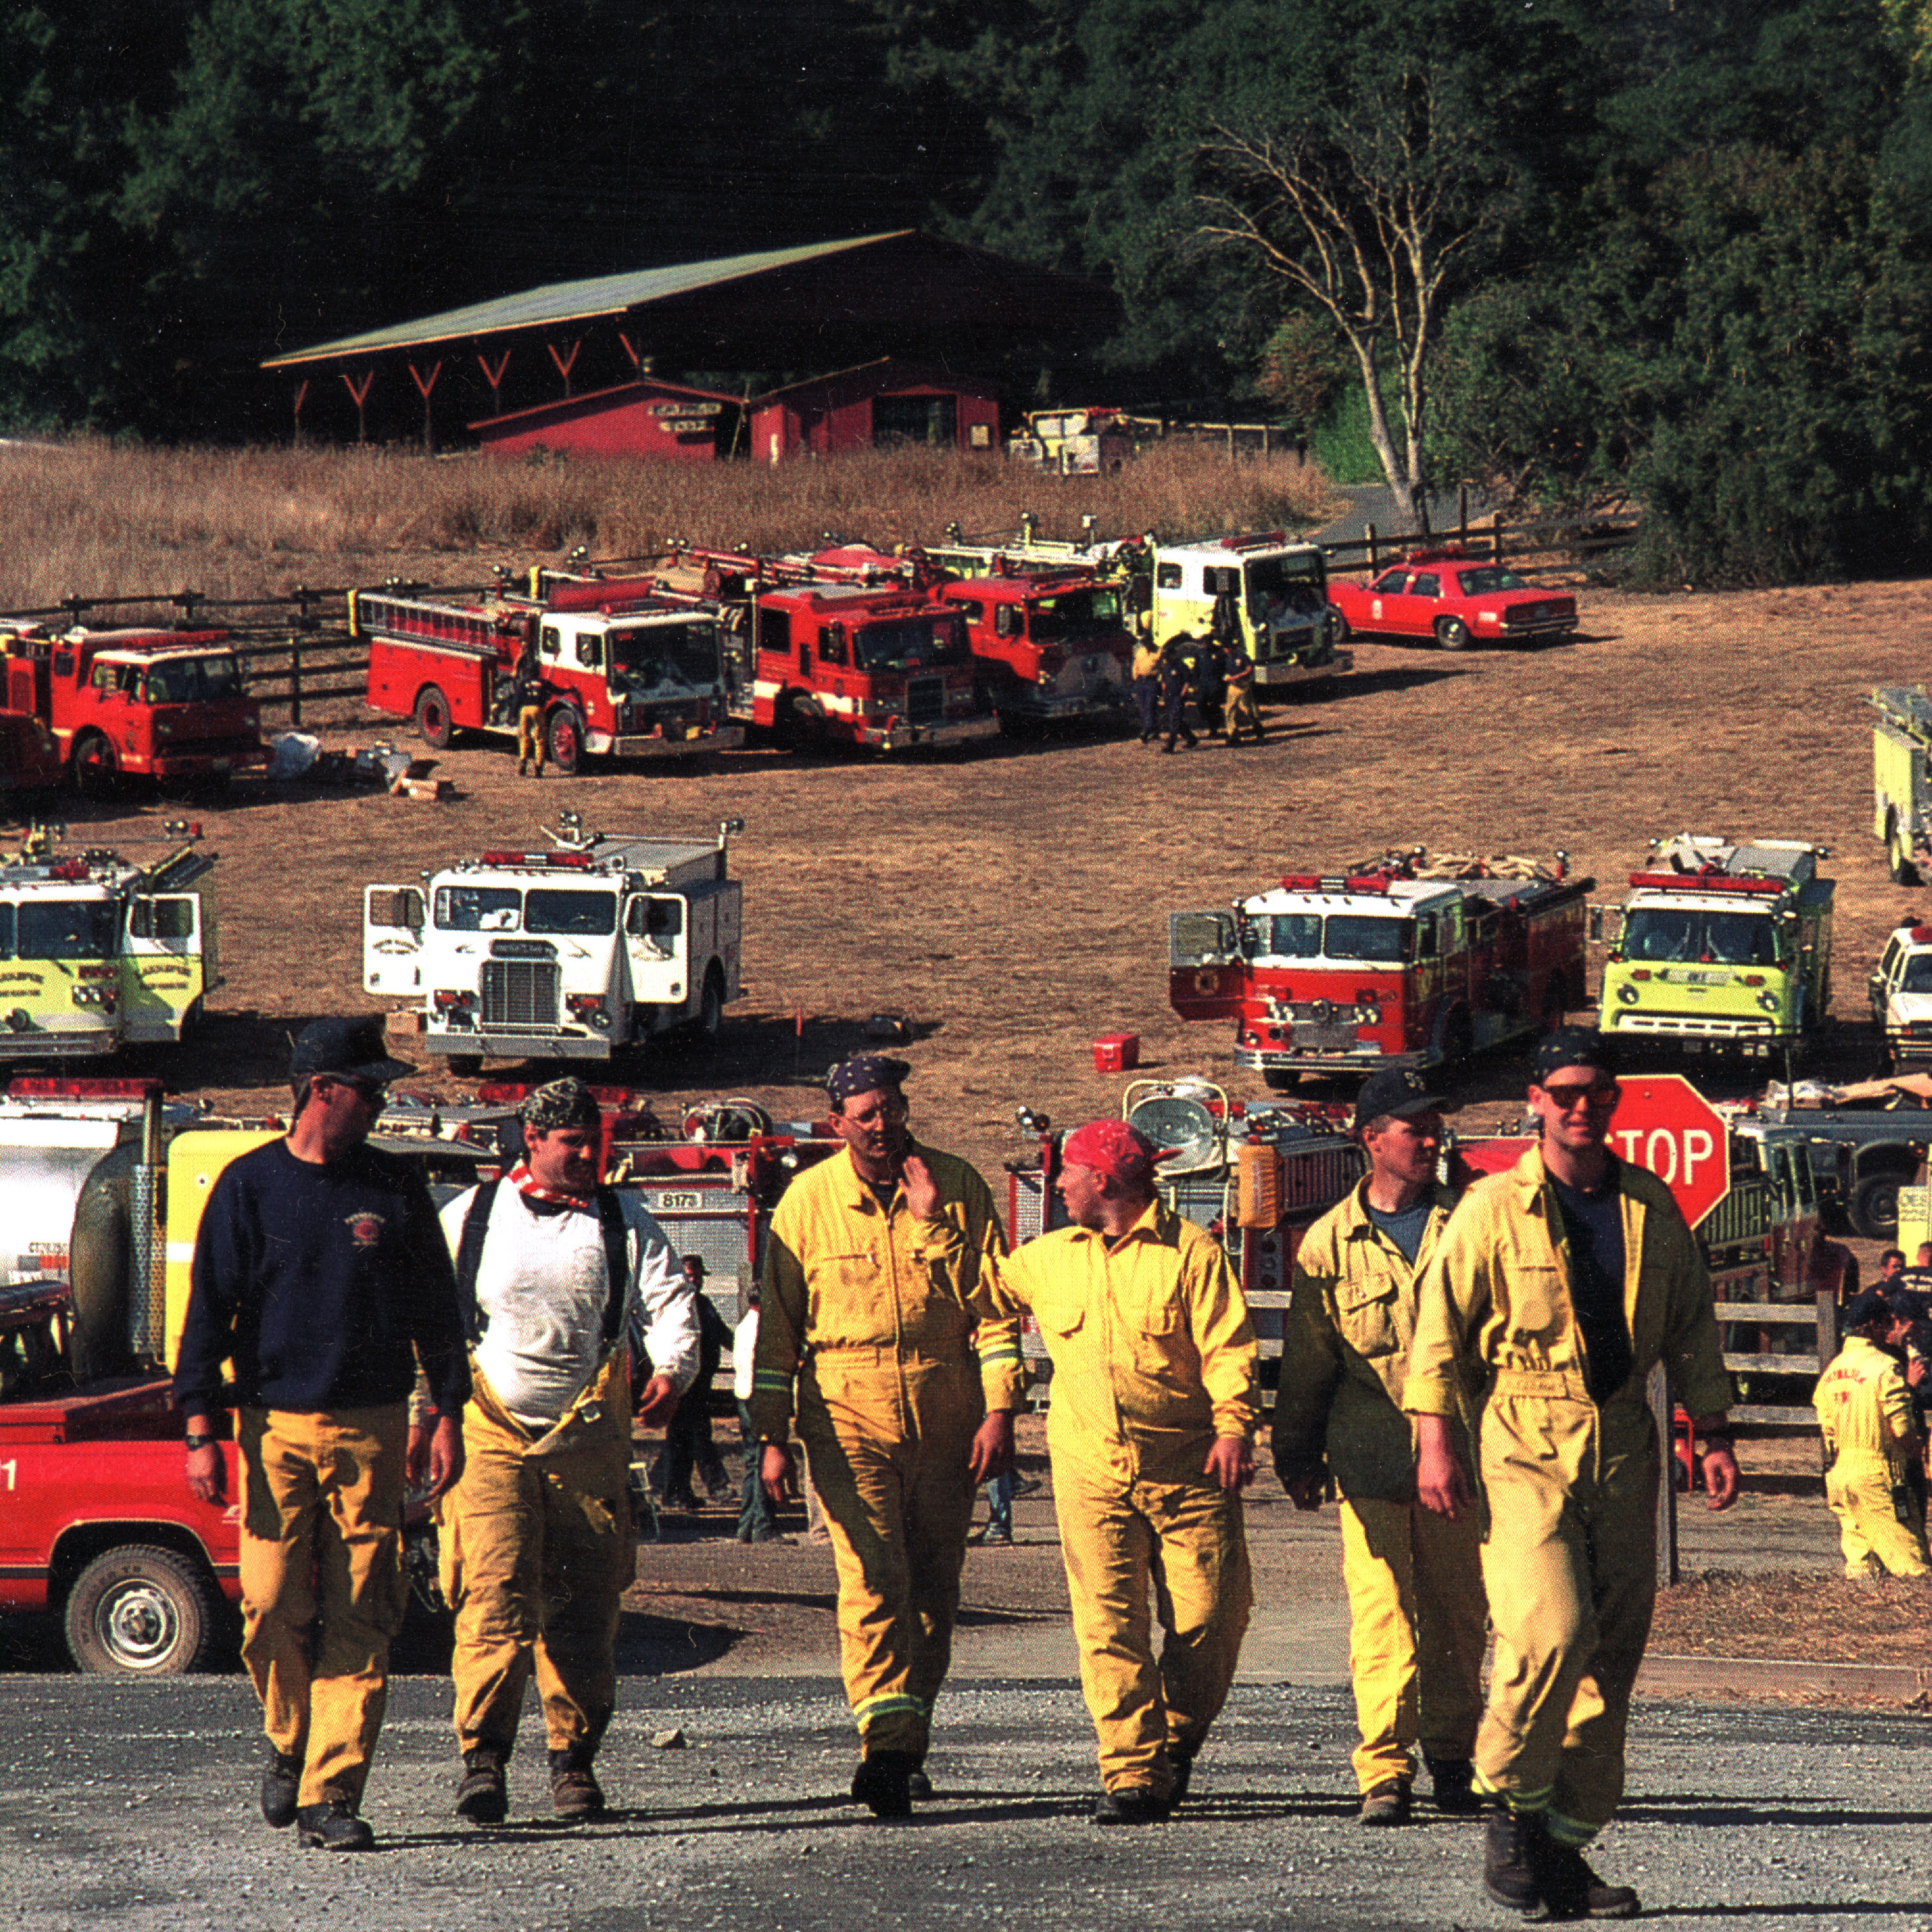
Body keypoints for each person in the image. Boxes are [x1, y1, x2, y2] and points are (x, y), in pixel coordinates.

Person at [1406, 1027, 1739, 1922]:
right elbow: (1436, 1332)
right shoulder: (1488, 1209)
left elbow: (1692, 1323)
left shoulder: (1647, 1202)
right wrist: (1434, 1440)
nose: (1580, 1105)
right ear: (1534, 1100)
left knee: (1611, 1660)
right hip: (1522, 1432)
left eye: (1596, 1091)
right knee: (1548, 1629)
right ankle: (1509, 1808)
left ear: (1613, 1100)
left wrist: (1709, 1429)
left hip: (1625, 1439)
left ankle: (1560, 1843)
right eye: (1564, 1092)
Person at [177, 1017, 469, 1853]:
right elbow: (208, 1315)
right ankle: (288, 1735)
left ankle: (330, 1791)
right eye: (368, 1089)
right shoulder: (248, 1186)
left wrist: (442, 1411)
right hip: (272, 1425)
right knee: (269, 1600)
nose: (381, 1103)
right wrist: (200, 1426)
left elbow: (435, 1311)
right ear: (321, 1091)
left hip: (374, 1427)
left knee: (364, 1609)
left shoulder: (394, 1185)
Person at [749, 1054, 1024, 1817]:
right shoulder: (806, 1203)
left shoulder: (957, 1184)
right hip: (846, 1411)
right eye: (865, 1114)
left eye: (892, 1108)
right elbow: (778, 1331)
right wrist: (769, 1436)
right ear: (837, 1122)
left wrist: (1000, 1411)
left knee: (935, 1591)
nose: (883, 1125)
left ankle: (908, 1729)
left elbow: (996, 1308)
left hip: (948, 1410)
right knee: (874, 1582)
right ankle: (887, 1752)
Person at [436, 1077, 699, 1826]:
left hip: (589, 1437)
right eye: (572, 1143)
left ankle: (572, 1764)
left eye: (596, 1141)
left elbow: (671, 1302)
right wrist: (434, 1410)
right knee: (492, 1596)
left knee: (585, 1607)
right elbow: (426, 1309)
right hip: (492, 1436)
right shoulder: (474, 1216)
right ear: (533, 1142)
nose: (588, 1154)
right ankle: (483, 1761)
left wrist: (674, 1371)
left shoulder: (622, 1218)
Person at [984, 1119, 1257, 1824]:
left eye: (1067, 1172)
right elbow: (980, 1301)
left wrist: (1233, 1427)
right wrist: (999, 1398)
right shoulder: (1046, 1258)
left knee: (1213, 1620)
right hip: (1090, 1472)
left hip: (1190, 1469)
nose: (1058, 1185)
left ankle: (1173, 1741)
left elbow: (1228, 1347)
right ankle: (1133, 1771)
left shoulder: (1191, 1255)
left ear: (1103, 1180)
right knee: (1108, 1623)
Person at [1274, 1068, 1485, 1827]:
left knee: (1460, 1614)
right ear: (1371, 1139)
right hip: (1369, 1460)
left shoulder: (1468, 1225)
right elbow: (1308, 1363)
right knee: (1382, 1615)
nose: (1430, 1140)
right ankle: (1385, 1772)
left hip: (1461, 1462)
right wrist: (1296, 1455)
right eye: (1413, 1128)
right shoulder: (1328, 1244)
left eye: (1434, 1126)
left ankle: (1455, 1762)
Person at [1811, 1288, 1929, 1578]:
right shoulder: (1885, 1367)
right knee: (1912, 1566)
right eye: (1887, 1323)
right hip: (1878, 1473)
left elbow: (1829, 1432)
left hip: (1840, 1475)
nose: (1891, 1329)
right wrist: (1918, 1452)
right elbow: (1901, 1428)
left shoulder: (1831, 1372)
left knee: (1861, 1564)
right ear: (1873, 1326)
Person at [652, 1257, 734, 1510]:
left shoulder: (705, 1305)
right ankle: (717, 1485)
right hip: (682, 1382)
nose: (694, 1282)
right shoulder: (676, 1307)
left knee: (680, 1438)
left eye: (698, 1277)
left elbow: (724, 1334)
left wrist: (747, 1353)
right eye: (689, 1276)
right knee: (697, 1433)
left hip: (701, 1383)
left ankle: (672, 1491)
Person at [732, 1283, 782, 1542]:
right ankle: (763, 1526)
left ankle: (746, 1527)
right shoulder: (762, 1329)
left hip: (744, 1397)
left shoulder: (743, 1326)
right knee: (763, 1462)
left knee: (753, 1463)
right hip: (758, 1400)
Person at [512, 637, 547, 777]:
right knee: (540, 739)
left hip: (524, 710)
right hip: (538, 710)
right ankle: (538, 769)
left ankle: (523, 763)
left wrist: (512, 715)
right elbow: (552, 691)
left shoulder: (523, 683)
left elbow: (517, 699)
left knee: (524, 737)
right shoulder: (542, 682)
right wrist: (569, 690)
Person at [1157, 641, 1197, 753]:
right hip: (1169, 697)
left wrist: (1182, 695)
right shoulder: (1166, 666)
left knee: (1174, 721)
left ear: (1174, 655)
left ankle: (1171, 745)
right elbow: (1164, 680)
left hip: (1178, 697)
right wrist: (1164, 693)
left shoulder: (1181, 666)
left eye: (1169, 656)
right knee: (1177, 720)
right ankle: (1191, 738)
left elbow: (1187, 681)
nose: (1168, 658)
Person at [1221, 652, 1264, 746]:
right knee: (1229, 711)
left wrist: (1238, 676)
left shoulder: (1242, 656)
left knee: (1249, 711)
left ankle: (1259, 732)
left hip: (1243, 686)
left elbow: (1249, 670)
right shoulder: (1226, 658)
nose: (1225, 650)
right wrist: (1226, 677)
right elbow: (1224, 671)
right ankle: (1233, 736)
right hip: (1233, 686)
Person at [1131, 627, 1163, 744]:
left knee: (1150, 706)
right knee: (1143, 707)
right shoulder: (1140, 652)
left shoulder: (1159, 652)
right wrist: (1135, 676)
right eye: (1144, 643)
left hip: (1152, 682)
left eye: (1147, 642)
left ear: (1151, 641)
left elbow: (1163, 668)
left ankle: (1146, 730)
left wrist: (1160, 680)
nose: (1146, 645)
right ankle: (1154, 730)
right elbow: (1135, 665)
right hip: (1141, 682)